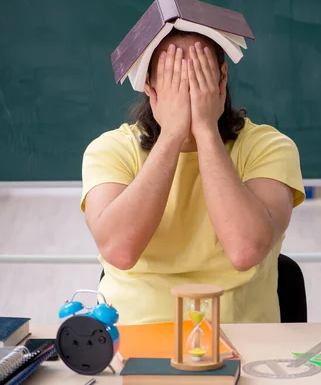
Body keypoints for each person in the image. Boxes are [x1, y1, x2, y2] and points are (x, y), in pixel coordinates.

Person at [80, 29, 305, 325]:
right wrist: (172, 134)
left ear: (222, 78)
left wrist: (206, 131)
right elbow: (120, 251)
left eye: (200, 71)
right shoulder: (110, 150)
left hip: (244, 338)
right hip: (136, 335)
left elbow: (245, 250)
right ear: (149, 84)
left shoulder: (268, 147)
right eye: (173, 73)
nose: (187, 84)